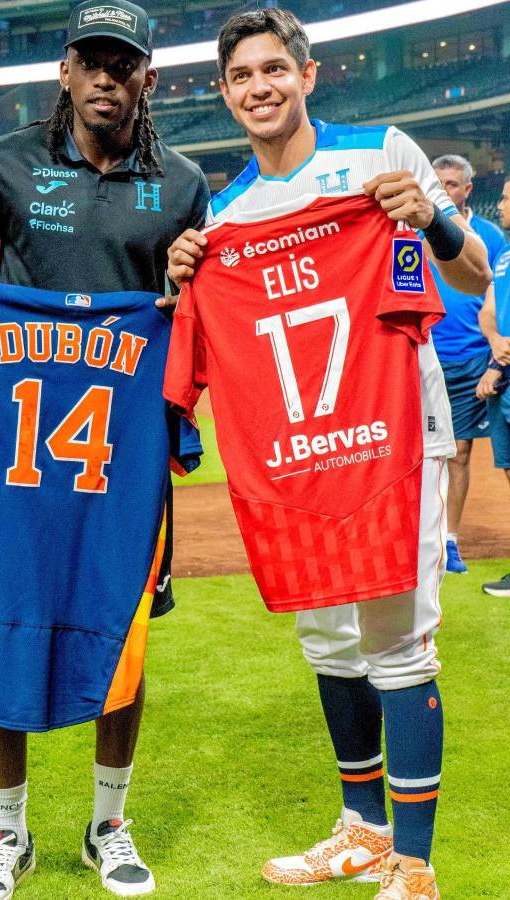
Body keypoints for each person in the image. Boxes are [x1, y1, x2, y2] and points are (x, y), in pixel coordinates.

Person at [167, 9, 490, 899]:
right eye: (241, 76)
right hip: (293, 452)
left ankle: (415, 867)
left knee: (394, 641)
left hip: (391, 435)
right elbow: (195, 330)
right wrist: (184, 275)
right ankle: (362, 831)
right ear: (225, 92)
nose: (258, 87)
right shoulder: (225, 214)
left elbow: (475, 279)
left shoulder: (382, 153)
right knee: (326, 636)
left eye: (275, 69)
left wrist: (430, 219)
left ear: (307, 77)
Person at [0, 2, 210, 897]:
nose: (108, 77)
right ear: (66, 72)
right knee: (4, 614)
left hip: (123, 454)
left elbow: (197, 314)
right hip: (18, 454)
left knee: (124, 633)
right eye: (93, 61)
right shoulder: (8, 162)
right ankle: (9, 834)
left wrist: (184, 291)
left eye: (126, 63)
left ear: (148, 78)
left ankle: (107, 821)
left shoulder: (184, 183)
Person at [428, 155, 506, 573]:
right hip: (425, 356)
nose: (445, 189)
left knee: (460, 452)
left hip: (474, 359)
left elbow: (502, 300)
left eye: (453, 183)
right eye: (438, 182)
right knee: (423, 454)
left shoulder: (490, 237)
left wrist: (495, 356)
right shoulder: (416, 233)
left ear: (468, 188)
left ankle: (450, 541)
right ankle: (425, 536)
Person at [476, 175, 510, 597]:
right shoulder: (504, 257)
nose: (501, 206)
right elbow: (489, 310)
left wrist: (499, 364)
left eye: (505, 199)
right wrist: (495, 347)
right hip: (501, 375)